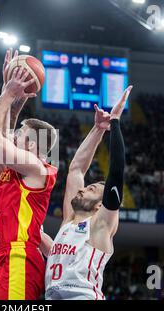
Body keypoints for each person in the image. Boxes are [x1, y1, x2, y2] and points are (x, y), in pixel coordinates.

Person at [0, 57, 58, 300]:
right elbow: (1, 136)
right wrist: (10, 98)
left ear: (32, 145)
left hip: (18, 259)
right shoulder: (13, 175)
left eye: (19, 135)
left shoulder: (38, 168)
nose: (13, 137)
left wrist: (7, 95)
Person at [43, 86, 132, 300]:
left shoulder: (100, 225)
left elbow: (117, 171)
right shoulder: (69, 221)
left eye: (91, 189)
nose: (82, 189)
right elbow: (76, 170)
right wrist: (98, 129)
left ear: (101, 205)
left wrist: (115, 122)